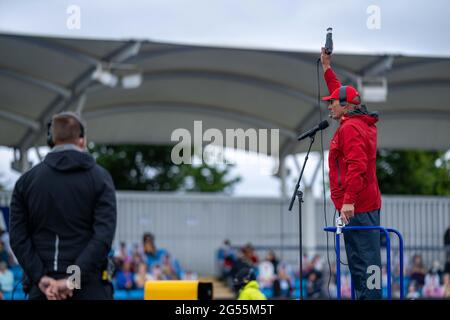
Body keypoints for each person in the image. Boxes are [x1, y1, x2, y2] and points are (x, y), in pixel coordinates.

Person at [9, 112, 117, 300]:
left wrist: (41, 277)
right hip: (89, 288)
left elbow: (18, 237)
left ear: (52, 140)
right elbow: (103, 237)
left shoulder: (26, 182)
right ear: (82, 140)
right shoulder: (100, 178)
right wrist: (71, 279)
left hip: (43, 290)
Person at [321, 47, 382, 299]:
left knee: (366, 266)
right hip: (358, 208)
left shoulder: (350, 129)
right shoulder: (354, 120)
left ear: (345, 107)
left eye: (332, 103)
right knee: (361, 267)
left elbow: (358, 167)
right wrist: (326, 67)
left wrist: (348, 201)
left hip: (359, 208)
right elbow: (340, 92)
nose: (329, 106)